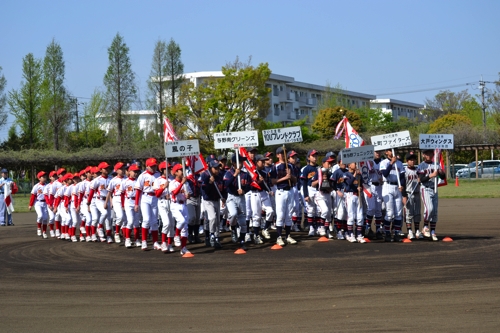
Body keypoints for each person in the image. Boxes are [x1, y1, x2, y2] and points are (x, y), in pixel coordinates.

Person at [223, 153, 252, 250]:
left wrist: (244, 190)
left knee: (243, 221)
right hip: (231, 197)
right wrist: (235, 175)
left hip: (241, 198)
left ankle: (242, 241)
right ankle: (233, 228)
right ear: (234, 163)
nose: (241, 163)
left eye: (242, 162)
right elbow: (225, 184)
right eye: (239, 162)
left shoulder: (245, 174)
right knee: (233, 214)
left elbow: (249, 185)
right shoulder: (228, 173)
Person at [270, 146, 298, 246]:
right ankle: (278, 237)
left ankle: (288, 235)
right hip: (280, 191)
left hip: (290, 190)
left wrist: (291, 176)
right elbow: (273, 181)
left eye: (285, 153)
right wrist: (285, 177)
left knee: (289, 215)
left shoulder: (290, 166)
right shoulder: (275, 166)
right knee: (280, 214)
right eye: (281, 153)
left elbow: (295, 180)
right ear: (278, 155)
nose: (283, 155)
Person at [417, 149, 445, 241]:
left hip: (435, 189)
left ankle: (433, 231)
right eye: (427, 153)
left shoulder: (436, 165)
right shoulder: (421, 165)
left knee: (435, 212)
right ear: (424, 155)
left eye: (430, 153)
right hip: (426, 189)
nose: (429, 155)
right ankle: (425, 227)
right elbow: (421, 179)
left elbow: (443, 177)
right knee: (429, 209)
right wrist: (431, 175)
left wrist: (441, 173)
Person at [134, 158, 161, 250]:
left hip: (155, 198)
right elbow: (138, 190)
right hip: (145, 197)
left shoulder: (158, 175)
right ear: (147, 166)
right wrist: (136, 203)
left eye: (154, 166)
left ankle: (155, 242)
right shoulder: (142, 175)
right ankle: (144, 241)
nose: (153, 167)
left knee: (154, 221)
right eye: (151, 166)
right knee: (146, 220)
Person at [380, 148, 405, 242]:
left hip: (397, 187)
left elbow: (402, 176)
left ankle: (396, 233)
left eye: (393, 150)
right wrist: (391, 163)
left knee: (398, 213)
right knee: (390, 213)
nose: (392, 152)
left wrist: (402, 185)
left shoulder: (399, 163)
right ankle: (387, 233)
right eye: (390, 150)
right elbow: (385, 174)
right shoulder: (384, 162)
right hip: (387, 186)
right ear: (386, 152)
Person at [200, 160, 226, 249]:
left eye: (218, 167)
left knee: (217, 220)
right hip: (208, 200)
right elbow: (205, 190)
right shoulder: (205, 175)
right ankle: (211, 235)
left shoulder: (219, 176)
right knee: (212, 218)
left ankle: (217, 238)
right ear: (210, 168)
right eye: (215, 168)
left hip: (217, 199)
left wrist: (223, 197)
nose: (217, 170)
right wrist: (210, 183)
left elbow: (223, 188)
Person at [250, 154, 274, 244]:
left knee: (270, 211)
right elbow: (251, 186)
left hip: (264, 193)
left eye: (264, 161)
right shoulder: (252, 173)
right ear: (256, 162)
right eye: (262, 161)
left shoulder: (264, 173)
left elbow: (266, 184)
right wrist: (258, 181)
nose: (264, 163)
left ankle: (265, 229)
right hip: (255, 193)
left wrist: (269, 190)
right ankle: (256, 235)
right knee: (256, 216)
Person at [169, 163, 191, 255]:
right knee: (181, 221)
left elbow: (189, 193)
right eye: (181, 170)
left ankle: (184, 248)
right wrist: (182, 183)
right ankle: (176, 235)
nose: (183, 172)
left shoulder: (185, 183)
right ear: (176, 173)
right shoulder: (172, 183)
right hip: (175, 205)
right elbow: (174, 192)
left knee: (185, 227)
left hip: (184, 205)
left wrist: (188, 195)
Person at [342, 162, 366, 243]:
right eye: (354, 163)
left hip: (358, 195)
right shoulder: (346, 174)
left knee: (360, 216)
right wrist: (355, 174)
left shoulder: (359, 175)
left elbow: (362, 183)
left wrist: (360, 187)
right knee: (351, 216)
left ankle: (359, 235)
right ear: (349, 165)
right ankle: (350, 234)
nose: (356, 165)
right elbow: (349, 183)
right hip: (350, 195)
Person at [364, 151, 384, 240]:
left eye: (379, 151)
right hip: (370, 186)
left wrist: (383, 179)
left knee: (378, 210)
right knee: (371, 208)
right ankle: (368, 228)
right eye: (376, 152)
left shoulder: (383, 162)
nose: (378, 153)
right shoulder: (368, 161)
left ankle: (378, 230)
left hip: (380, 186)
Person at [403, 152, 422, 240]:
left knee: (417, 213)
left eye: (414, 159)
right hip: (408, 193)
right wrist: (404, 196)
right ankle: (409, 231)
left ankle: (417, 230)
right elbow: (403, 184)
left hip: (417, 193)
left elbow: (423, 179)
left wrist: (420, 179)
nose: (413, 161)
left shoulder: (418, 170)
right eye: (410, 160)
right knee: (409, 213)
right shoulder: (405, 171)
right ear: (407, 161)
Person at [106, 162, 127, 244]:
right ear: (116, 170)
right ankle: (117, 233)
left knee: (126, 219)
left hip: (126, 199)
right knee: (120, 216)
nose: (123, 170)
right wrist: (108, 202)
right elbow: (109, 192)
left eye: (123, 168)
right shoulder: (113, 180)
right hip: (117, 199)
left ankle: (126, 237)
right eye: (121, 169)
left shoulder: (126, 179)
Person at [300, 150, 319, 236]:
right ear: (309, 157)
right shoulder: (306, 169)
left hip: (318, 190)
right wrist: (306, 195)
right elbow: (304, 183)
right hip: (309, 189)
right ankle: (311, 227)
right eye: (313, 156)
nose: (315, 157)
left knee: (318, 210)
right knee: (311, 210)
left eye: (316, 156)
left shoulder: (319, 168)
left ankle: (318, 227)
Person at [123, 164, 141, 248]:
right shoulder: (125, 181)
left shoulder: (139, 181)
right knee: (130, 221)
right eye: (134, 171)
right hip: (129, 201)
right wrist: (123, 204)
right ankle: (127, 239)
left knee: (136, 222)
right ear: (129, 171)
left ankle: (137, 239)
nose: (135, 173)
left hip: (137, 201)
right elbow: (122, 194)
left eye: (137, 171)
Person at [28, 171, 48, 238]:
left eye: (45, 176)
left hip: (45, 203)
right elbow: (33, 196)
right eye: (43, 177)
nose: (45, 178)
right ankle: (39, 228)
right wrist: (30, 205)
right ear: (39, 178)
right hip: (38, 202)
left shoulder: (47, 186)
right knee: (40, 216)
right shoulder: (36, 186)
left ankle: (44, 232)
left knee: (45, 218)